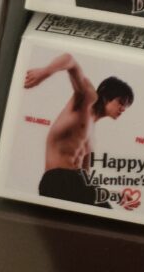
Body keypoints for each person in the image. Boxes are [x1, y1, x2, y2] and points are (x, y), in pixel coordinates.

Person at [24, 53, 133, 208]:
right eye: (121, 102)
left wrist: (115, 194)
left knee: (104, 213)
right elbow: (70, 60)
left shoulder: (91, 137)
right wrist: (44, 72)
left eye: (126, 106)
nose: (123, 109)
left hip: (77, 184)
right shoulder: (86, 100)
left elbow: (86, 179)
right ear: (106, 96)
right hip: (57, 180)